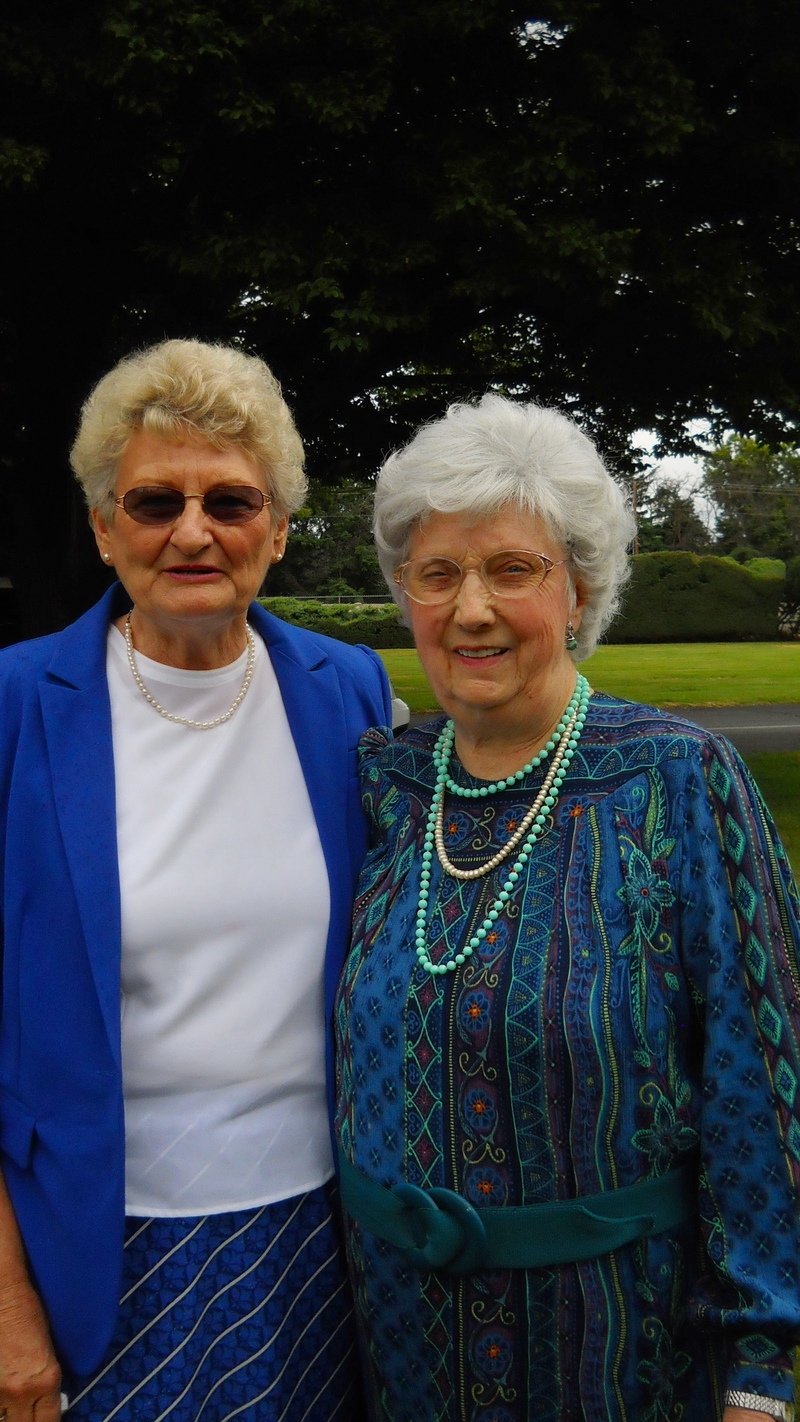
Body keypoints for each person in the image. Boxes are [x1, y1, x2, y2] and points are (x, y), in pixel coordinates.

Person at [334, 395, 800, 1422]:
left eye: (511, 569)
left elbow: (759, 1082)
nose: (470, 611)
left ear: (579, 587)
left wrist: (758, 1372)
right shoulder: (383, 783)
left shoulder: (678, 781)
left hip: (611, 1347)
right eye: (437, 573)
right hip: (393, 1342)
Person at [0, 339, 391, 1421]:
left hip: (323, 1239)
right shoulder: (15, 706)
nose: (191, 531)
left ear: (274, 525)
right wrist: (5, 1307)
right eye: (152, 500)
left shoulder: (342, 688)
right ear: (100, 526)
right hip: (98, 1249)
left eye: (228, 499)